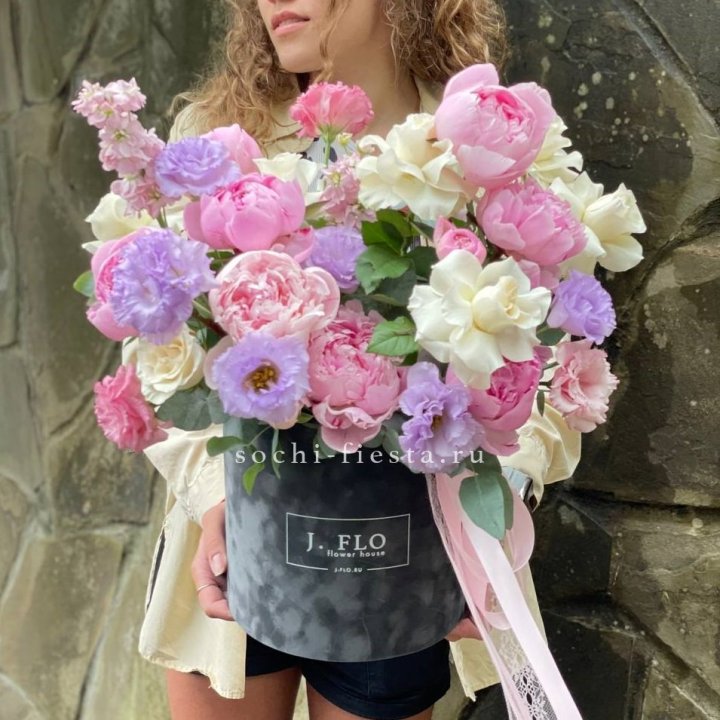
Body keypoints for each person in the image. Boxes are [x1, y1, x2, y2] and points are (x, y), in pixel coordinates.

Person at [92, 0, 582, 718]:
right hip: (236, 549)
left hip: (404, 561)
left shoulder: (494, 141)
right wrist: (213, 493)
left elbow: (553, 360)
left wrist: (488, 515)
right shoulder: (217, 137)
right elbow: (162, 348)